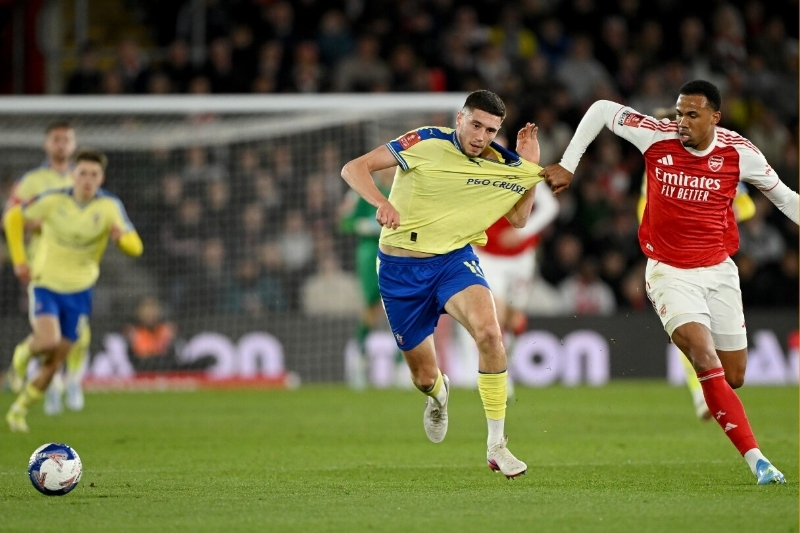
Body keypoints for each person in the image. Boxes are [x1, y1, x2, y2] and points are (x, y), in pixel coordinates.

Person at [541, 80, 797, 485]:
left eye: (692, 115)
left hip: (719, 271)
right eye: (679, 113)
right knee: (703, 355)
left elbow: (785, 198)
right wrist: (569, 164)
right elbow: (602, 109)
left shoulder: (740, 153)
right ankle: (758, 461)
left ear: (715, 117)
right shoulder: (656, 135)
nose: (681, 122)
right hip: (669, 272)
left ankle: (710, 391)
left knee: (734, 376)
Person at [341, 89, 543, 479]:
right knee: (424, 378)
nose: (481, 137)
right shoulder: (425, 141)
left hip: (453, 261)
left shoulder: (500, 161)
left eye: (491, 130)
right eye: (476, 125)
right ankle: (438, 395)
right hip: (400, 271)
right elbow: (354, 168)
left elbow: (519, 220)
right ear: (459, 119)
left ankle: (497, 445)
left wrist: (529, 170)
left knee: (490, 333)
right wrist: (381, 202)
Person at [4, 148, 143, 432]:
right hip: (46, 283)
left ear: (101, 178)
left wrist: (122, 240)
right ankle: (22, 354)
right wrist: (19, 260)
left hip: (80, 291)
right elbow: (13, 217)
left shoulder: (109, 207)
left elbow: (136, 246)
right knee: (47, 342)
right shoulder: (53, 200)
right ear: (73, 175)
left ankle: (19, 410)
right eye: (83, 173)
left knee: (55, 361)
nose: (88, 179)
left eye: (94, 174)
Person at [637, 107, 757, 421]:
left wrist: (712, 217)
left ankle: (707, 388)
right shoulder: (655, 161)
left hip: (710, 257)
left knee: (706, 340)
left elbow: (747, 206)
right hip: (668, 258)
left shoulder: (715, 161)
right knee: (687, 330)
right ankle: (700, 392)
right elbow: (644, 209)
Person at [2, 121, 94, 416]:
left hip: (76, 265)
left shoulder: (82, 178)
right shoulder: (32, 181)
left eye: (67, 139)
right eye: (56, 139)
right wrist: (33, 227)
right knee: (49, 336)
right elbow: (11, 216)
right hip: (42, 266)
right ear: (47, 144)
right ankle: (52, 385)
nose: (61, 144)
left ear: (74, 144)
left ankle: (73, 382)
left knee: (80, 334)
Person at [338, 167, 402, 389]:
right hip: (370, 253)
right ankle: (360, 358)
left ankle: (401, 365)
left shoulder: (404, 188)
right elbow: (344, 221)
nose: (388, 170)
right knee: (372, 306)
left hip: (399, 252)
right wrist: (365, 225)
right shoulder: (361, 190)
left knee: (401, 306)